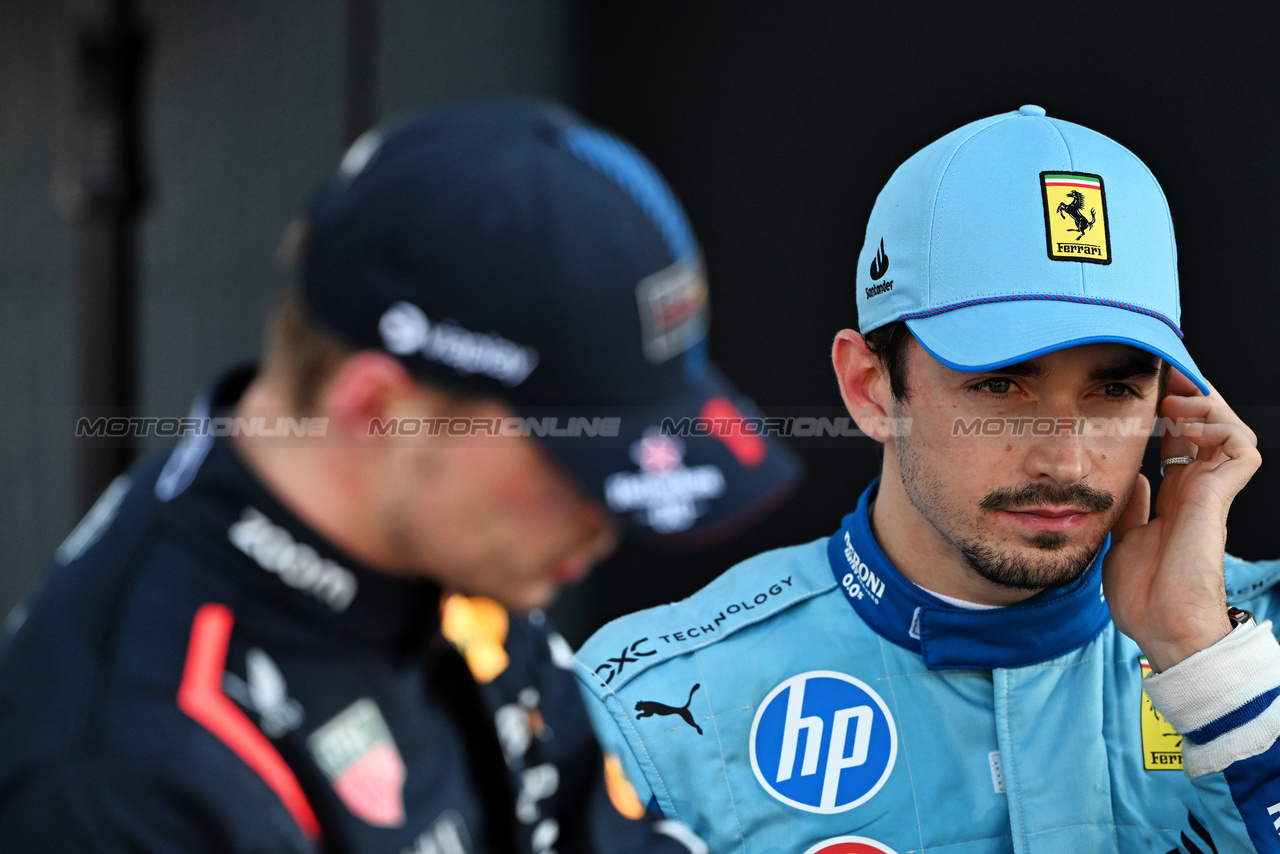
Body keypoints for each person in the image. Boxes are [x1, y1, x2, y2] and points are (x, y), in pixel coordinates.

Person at [0, 100, 800, 853]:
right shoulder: (127, 771)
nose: (607, 520)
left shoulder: (451, 559)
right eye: (576, 458)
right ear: (380, 411)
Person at [574, 105, 1280, 853]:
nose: (1066, 462)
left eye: (1114, 391)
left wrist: (1207, 663)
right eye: (1001, 387)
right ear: (871, 388)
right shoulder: (653, 712)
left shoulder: (1249, 653)